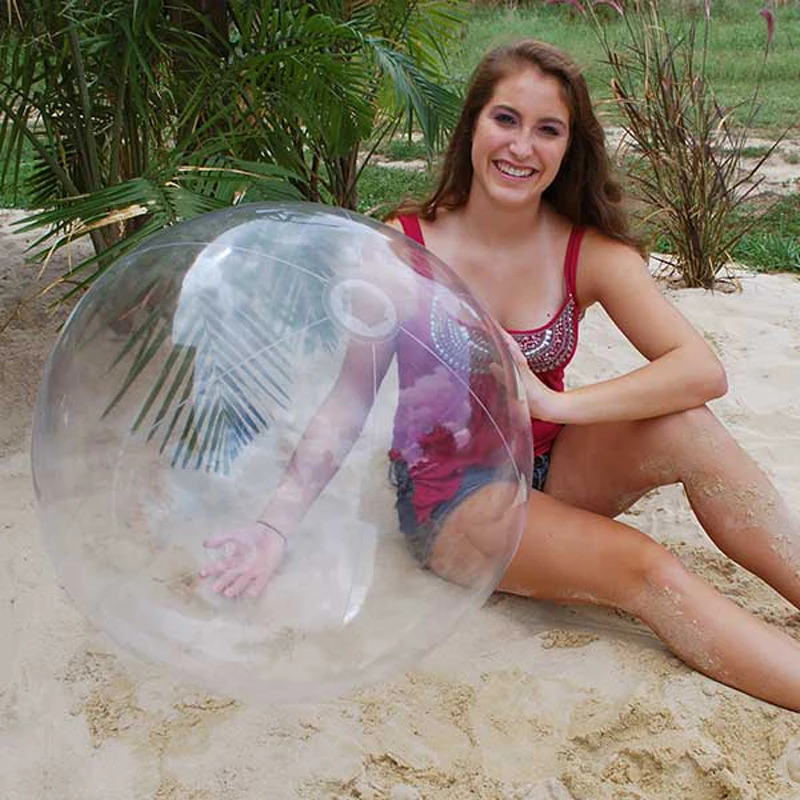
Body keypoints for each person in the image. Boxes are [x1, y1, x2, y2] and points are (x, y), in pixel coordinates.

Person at [201, 39, 800, 711]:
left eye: (548, 130)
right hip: (454, 502)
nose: (522, 146)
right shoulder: (400, 252)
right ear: (473, 127)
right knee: (647, 569)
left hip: (553, 472)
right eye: (506, 119)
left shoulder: (585, 250)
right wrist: (275, 526)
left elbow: (701, 370)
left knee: (689, 426)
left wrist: (556, 405)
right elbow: (347, 403)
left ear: (569, 148)